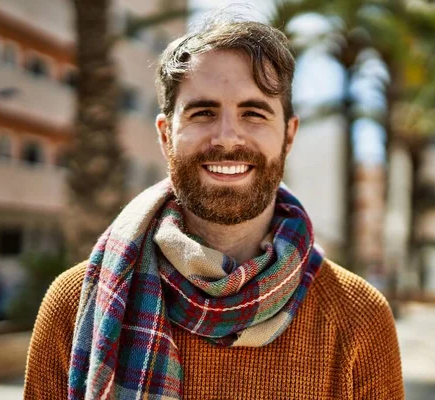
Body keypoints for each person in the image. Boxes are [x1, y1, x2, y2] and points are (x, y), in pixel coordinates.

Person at [24, 17, 404, 399]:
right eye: (203, 112)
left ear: (288, 135)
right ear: (165, 134)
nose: (226, 138)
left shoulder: (358, 317)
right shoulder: (75, 304)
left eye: (253, 113)